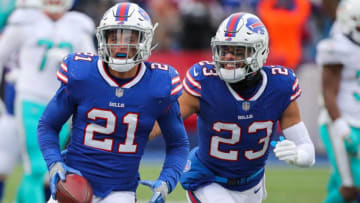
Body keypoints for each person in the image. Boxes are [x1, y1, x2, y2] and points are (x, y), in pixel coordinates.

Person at [150, 12, 315, 202]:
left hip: (254, 184)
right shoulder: (205, 81)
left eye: (238, 51)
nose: (228, 57)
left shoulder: (279, 86)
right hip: (209, 181)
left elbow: (307, 150)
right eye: (224, 50)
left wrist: (298, 155)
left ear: (259, 52)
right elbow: (161, 123)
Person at [37, 2, 189, 203]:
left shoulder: (159, 84)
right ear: (103, 38)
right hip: (75, 182)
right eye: (114, 36)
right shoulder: (82, 74)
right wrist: (54, 163)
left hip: (120, 192)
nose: (121, 45)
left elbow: (178, 143)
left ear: (145, 40)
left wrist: (167, 181)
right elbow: (47, 125)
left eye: (130, 38)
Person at [0, 0, 96, 202]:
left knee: (49, 168)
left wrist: (71, 63)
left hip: (63, 104)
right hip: (30, 99)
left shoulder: (78, 25)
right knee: (36, 165)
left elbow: (92, 67)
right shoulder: (25, 21)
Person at [316, 0, 360, 202]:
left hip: (357, 119)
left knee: (341, 182)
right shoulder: (337, 47)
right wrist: (340, 124)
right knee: (351, 188)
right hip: (341, 123)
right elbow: (328, 91)